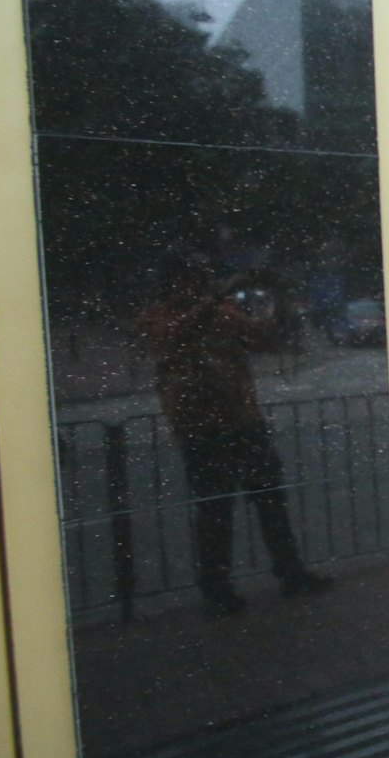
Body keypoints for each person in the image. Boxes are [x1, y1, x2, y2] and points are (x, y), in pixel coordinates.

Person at [139, 253, 330, 616]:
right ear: (171, 283)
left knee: (269, 501)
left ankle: (289, 573)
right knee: (216, 511)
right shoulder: (159, 317)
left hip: (241, 419)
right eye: (190, 278)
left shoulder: (220, 312)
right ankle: (218, 589)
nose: (196, 285)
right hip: (200, 426)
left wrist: (279, 299)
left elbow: (266, 338)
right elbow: (175, 335)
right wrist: (219, 297)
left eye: (199, 277)